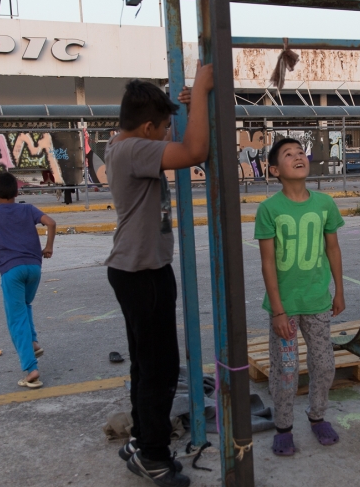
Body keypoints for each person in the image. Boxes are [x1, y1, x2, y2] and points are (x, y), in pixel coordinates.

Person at [106, 68, 211, 487]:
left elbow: (179, 144)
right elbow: (194, 151)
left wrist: (188, 106)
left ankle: (139, 440)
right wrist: (201, 91)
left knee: (144, 366)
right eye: (165, 128)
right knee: (161, 369)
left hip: (134, 269)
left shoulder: (123, 146)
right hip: (143, 273)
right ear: (148, 127)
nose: (169, 135)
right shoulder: (135, 150)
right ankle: (152, 454)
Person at [255, 137, 345, 457]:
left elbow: (332, 248)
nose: (298, 156)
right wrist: (278, 311)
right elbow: (267, 262)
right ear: (275, 170)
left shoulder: (324, 204)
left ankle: (317, 416)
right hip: (286, 309)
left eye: (300, 152)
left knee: (324, 366)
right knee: (286, 371)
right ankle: (283, 427)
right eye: (288, 154)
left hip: (318, 301)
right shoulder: (269, 209)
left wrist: (339, 290)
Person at [0, 171, 56, 389]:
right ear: (17, 192)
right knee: (25, 305)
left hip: (12, 271)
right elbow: (51, 223)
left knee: (15, 318)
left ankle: (31, 369)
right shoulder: (28, 209)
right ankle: (33, 341)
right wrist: (48, 247)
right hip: (34, 267)